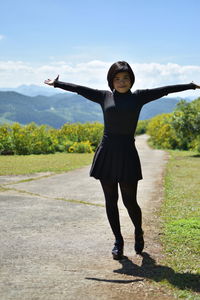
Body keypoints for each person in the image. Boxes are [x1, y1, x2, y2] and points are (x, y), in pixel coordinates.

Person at [44, 61, 199, 260]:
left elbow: (165, 90)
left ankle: (138, 231)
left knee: (129, 201)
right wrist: (58, 84)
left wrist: (190, 85)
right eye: (117, 78)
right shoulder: (104, 96)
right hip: (107, 152)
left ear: (131, 80)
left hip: (127, 153)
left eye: (125, 78)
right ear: (111, 80)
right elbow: (80, 90)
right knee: (111, 201)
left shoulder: (139, 97)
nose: (121, 82)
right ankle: (118, 240)